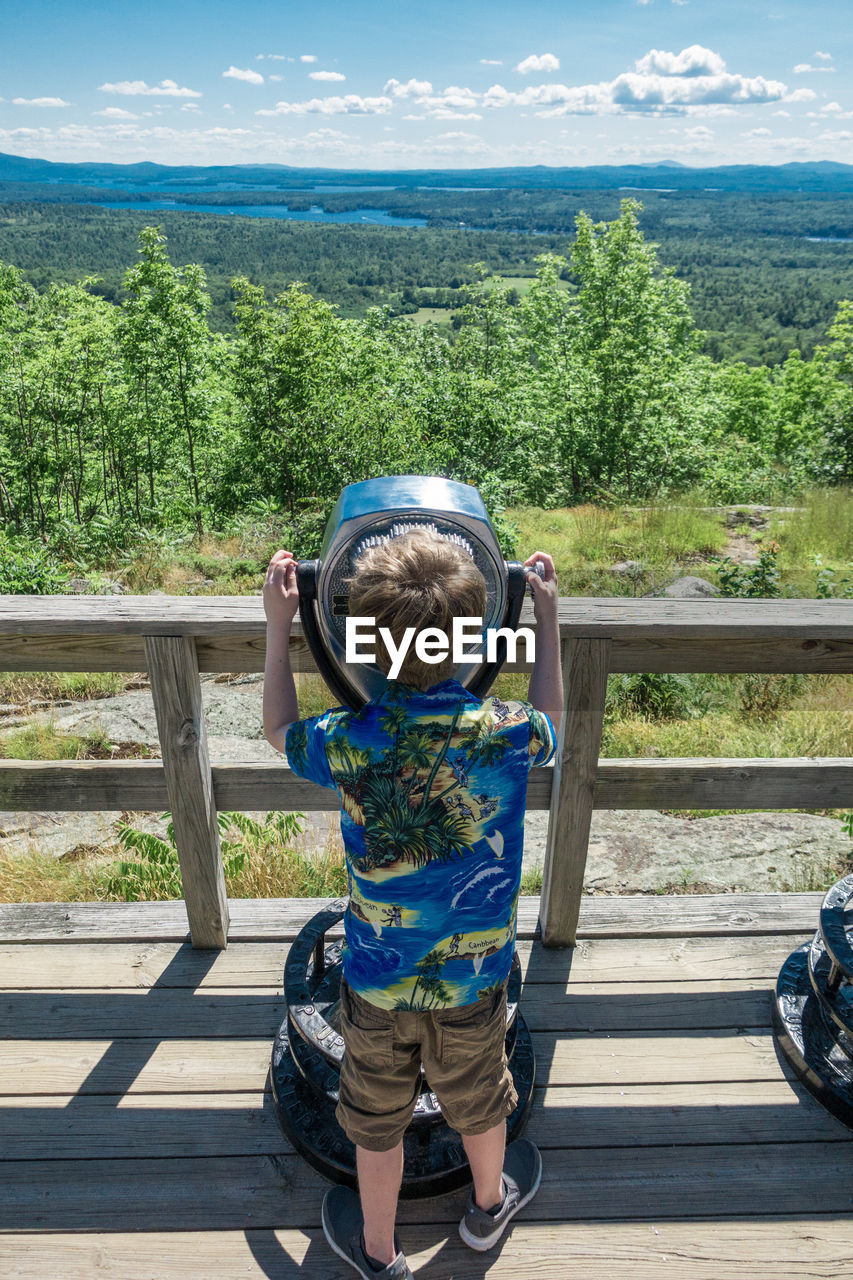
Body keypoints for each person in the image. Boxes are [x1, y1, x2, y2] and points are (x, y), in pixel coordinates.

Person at [263, 529, 562, 1279]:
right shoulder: (505, 734)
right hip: (474, 976)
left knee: (374, 1116)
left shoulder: (349, 737)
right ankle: (488, 1208)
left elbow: (276, 729)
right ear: (475, 635)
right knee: (482, 1095)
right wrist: (547, 622)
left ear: (360, 636)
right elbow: (554, 717)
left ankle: (377, 1250)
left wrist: (278, 628)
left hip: (375, 978)